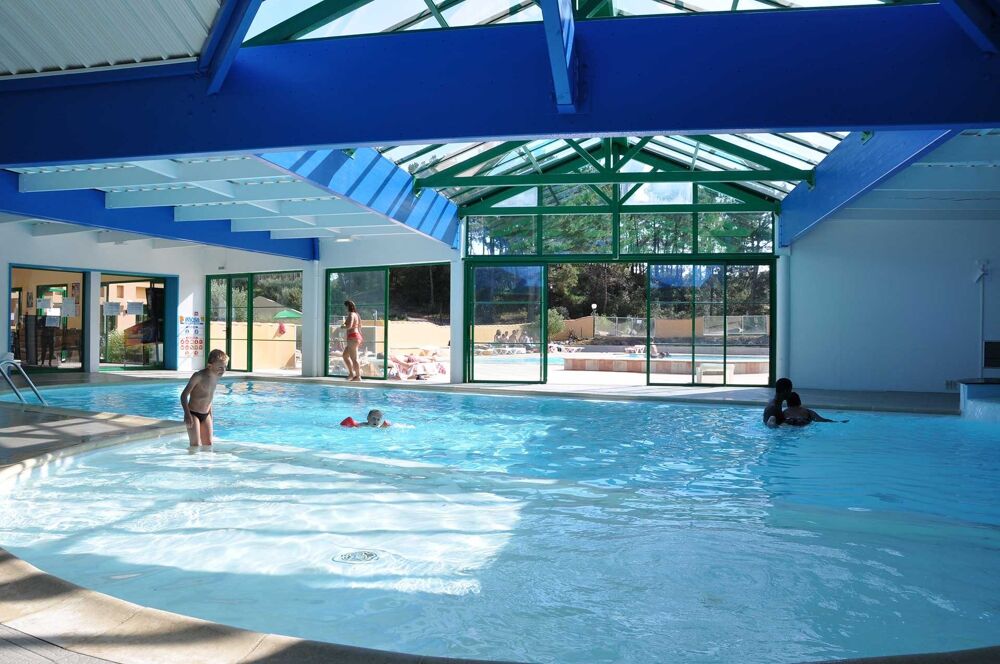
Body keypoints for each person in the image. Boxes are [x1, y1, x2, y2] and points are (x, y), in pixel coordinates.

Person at [180, 348, 228, 447]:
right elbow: (184, 395)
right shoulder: (198, 376)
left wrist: (211, 415)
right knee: (196, 445)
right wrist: (187, 414)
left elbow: (209, 397)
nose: (223, 370)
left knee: (208, 444)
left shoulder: (216, 376)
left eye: (225, 367)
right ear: (210, 366)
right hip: (193, 414)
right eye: (220, 367)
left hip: (206, 415)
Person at [782, 392, 846, 425]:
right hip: (803, 422)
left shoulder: (784, 412)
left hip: (789, 422)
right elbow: (822, 420)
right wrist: (838, 422)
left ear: (788, 403)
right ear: (799, 401)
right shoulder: (808, 411)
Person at [341, 300, 363, 381]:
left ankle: (358, 376)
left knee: (354, 358)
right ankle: (351, 374)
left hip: (353, 337)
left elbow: (349, 326)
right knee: (345, 355)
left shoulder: (351, 314)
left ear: (347, 307)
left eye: (345, 307)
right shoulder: (357, 315)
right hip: (356, 337)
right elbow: (359, 326)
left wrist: (342, 326)